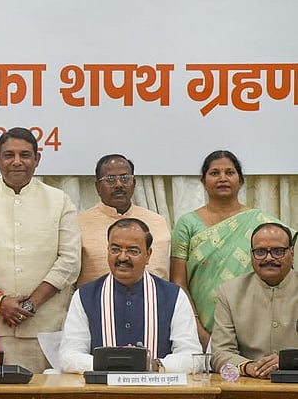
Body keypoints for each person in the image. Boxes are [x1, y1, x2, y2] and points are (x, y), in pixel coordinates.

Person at [0, 127, 80, 373]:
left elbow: (70, 261)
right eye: (9, 155)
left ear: (37, 159)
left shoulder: (60, 200)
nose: (17, 162)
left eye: (25, 155)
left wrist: (31, 304)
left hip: (44, 328)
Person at [59, 219, 201, 373]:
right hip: (101, 394)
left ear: (148, 255)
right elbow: (68, 356)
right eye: (115, 249)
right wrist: (110, 363)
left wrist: (153, 365)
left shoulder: (173, 296)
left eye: (133, 251)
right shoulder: (85, 296)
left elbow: (193, 357)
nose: (122, 257)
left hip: (158, 394)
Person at [170, 150, 279, 350]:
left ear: (241, 180)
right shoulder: (187, 224)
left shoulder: (260, 223)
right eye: (214, 173)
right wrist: (197, 329)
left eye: (229, 172)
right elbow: (178, 282)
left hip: (255, 328)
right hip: (202, 327)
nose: (222, 178)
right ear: (203, 181)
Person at [211, 223, 298, 378]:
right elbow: (220, 353)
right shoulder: (230, 292)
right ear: (251, 255)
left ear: (292, 253)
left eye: (278, 251)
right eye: (260, 252)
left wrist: (288, 362)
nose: (269, 258)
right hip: (250, 385)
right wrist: (249, 367)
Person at [77, 154, 170, 286]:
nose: (119, 184)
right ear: (98, 187)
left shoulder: (158, 222)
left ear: (134, 183)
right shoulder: (78, 224)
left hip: (153, 303)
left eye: (125, 178)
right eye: (110, 179)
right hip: (96, 304)